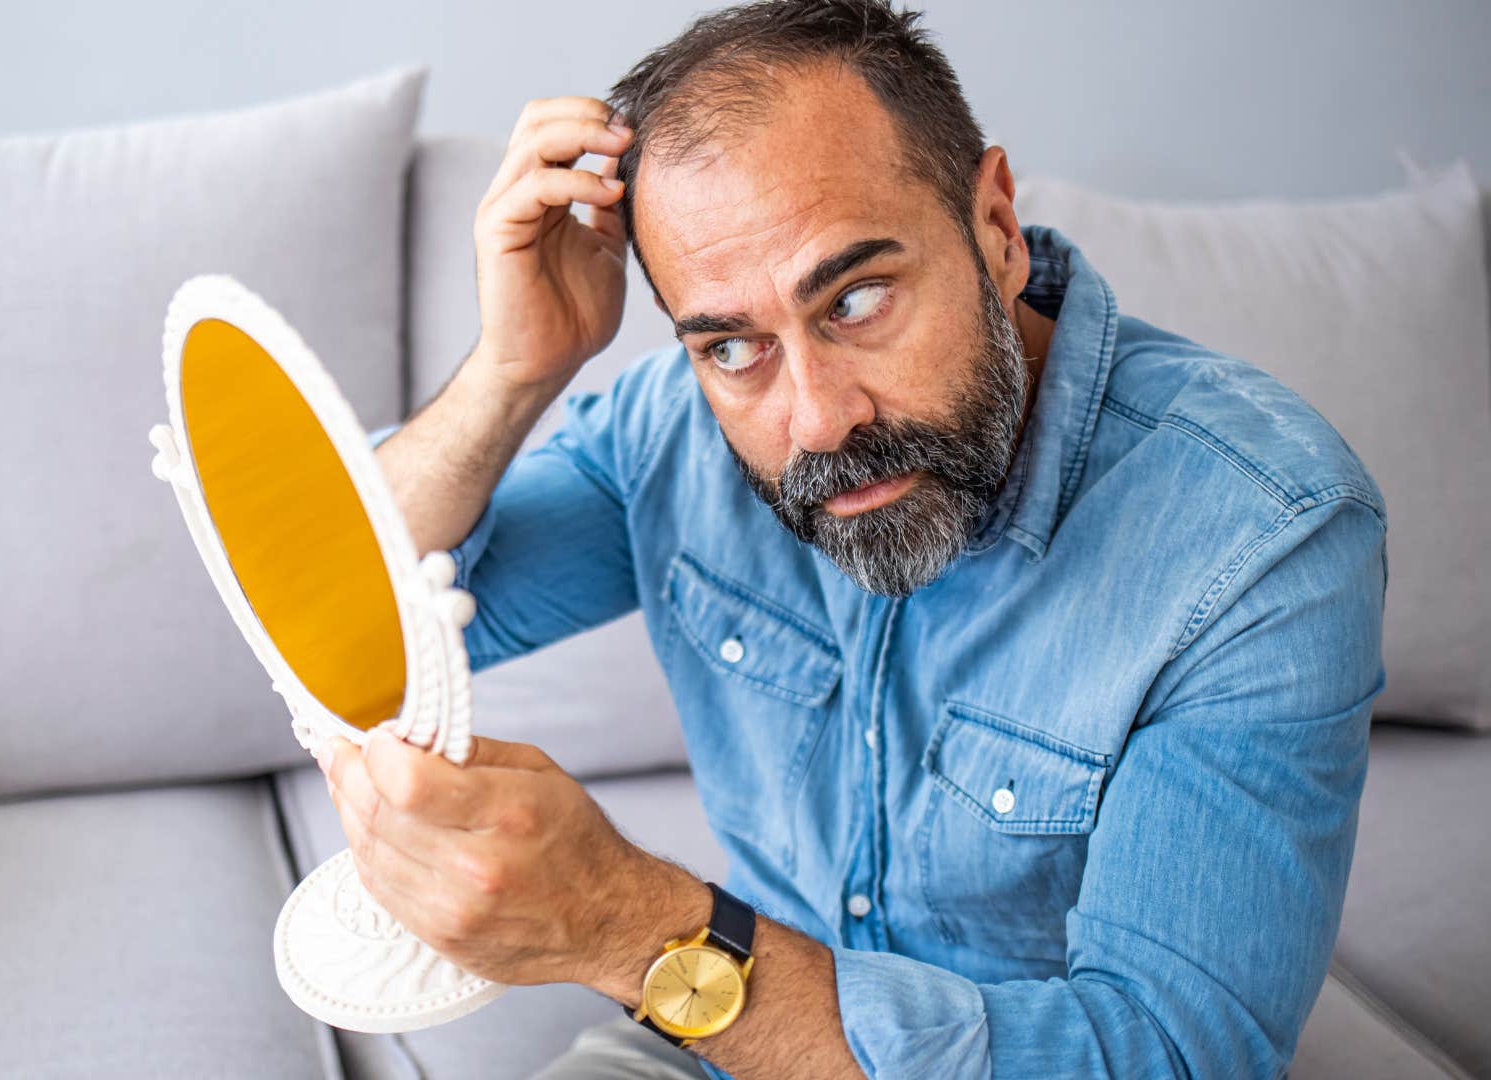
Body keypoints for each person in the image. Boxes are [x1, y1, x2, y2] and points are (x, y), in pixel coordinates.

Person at [315, 1, 1387, 1076]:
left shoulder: (1260, 534)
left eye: (859, 298)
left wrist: (631, 928)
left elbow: (1163, 1056)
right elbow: (342, 620)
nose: (819, 421)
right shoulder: (673, 427)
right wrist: (515, 372)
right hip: (725, 1037)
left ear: (996, 230)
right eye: (733, 346)